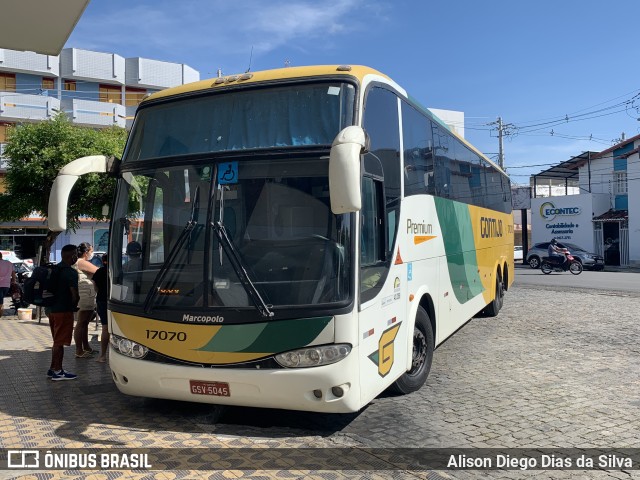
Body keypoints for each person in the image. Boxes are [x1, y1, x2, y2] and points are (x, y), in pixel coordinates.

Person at [47, 244, 79, 381]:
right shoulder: (70, 272)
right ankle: (58, 371)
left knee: (56, 340)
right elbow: (74, 294)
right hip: (63, 311)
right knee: (59, 342)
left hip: (51, 310)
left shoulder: (55, 269)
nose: (76, 257)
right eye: (76, 254)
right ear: (72, 256)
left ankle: (53, 368)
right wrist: (74, 305)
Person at [73, 242, 98, 358]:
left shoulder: (79, 262)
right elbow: (98, 271)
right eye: (91, 251)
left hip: (87, 294)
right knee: (81, 322)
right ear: (85, 252)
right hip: (84, 296)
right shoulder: (81, 262)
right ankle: (79, 350)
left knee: (85, 323)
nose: (92, 254)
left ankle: (86, 346)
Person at [92, 253, 109, 363]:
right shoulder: (118, 271)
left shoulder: (99, 271)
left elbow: (95, 285)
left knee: (105, 328)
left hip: (102, 300)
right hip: (116, 300)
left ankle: (102, 356)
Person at [0, 252, 17, 316]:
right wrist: (13, 281)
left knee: (0, 301)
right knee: (1, 299)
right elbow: (13, 274)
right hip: (6, 285)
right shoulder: (9, 263)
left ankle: (0, 314)